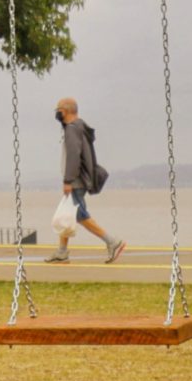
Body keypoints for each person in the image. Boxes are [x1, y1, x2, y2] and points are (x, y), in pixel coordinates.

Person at [49, 96, 124, 263]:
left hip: (76, 180)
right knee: (67, 214)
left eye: (58, 110)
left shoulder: (72, 129)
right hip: (79, 178)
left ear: (66, 111)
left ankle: (112, 242)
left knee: (79, 215)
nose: (57, 114)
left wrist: (68, 180)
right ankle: (62, 251)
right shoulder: (79, 127)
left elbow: (74, 156)